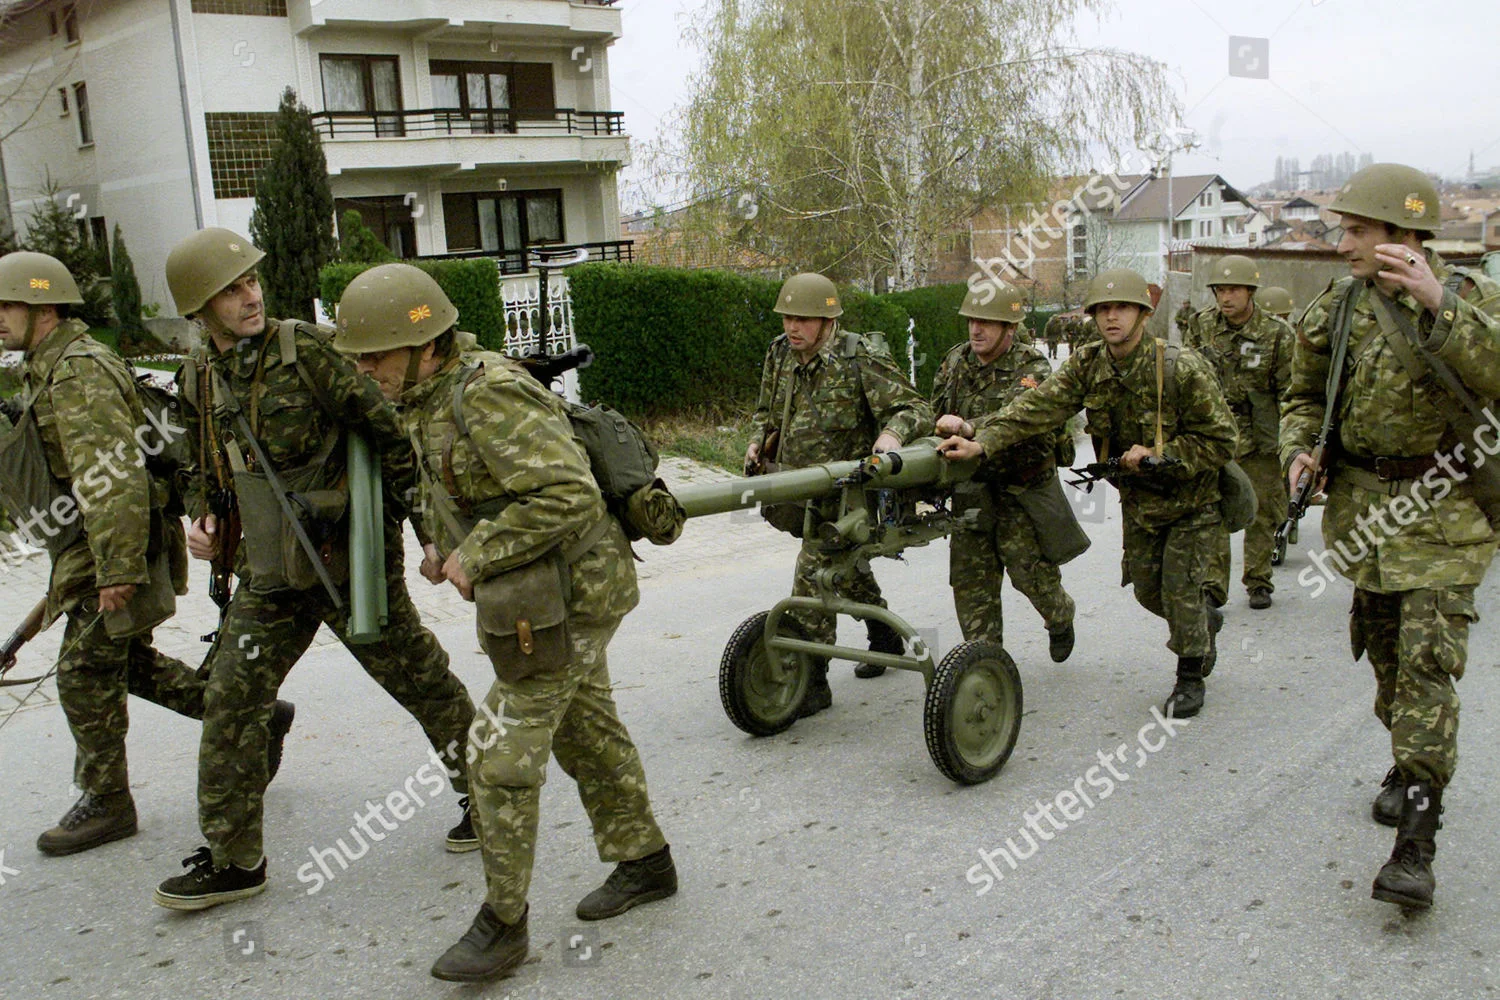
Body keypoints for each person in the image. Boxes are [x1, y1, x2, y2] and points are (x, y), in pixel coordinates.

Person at [333, 264, 675, 983]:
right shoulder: (423, 397)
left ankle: (504, 925)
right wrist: (437, 540)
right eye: (358, 358)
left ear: (427, 344)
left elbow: (568, 496)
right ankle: (644, 860)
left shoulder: (488, 392)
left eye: (376, 356)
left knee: (494, 752)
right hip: (538, 593)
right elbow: (448, 482)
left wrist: (478, 551)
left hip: (579, 590)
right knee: (586, 729)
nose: (365, 371)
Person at [152, 230, 476, 911]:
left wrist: (430, 537)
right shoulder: (199, 379)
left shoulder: (307, 351)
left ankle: (490, 794)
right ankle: (235, 859)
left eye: (251, 282)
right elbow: (200, 467)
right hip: (268, 571)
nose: (250, 296)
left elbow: (394, 439)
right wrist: (203, 523)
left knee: (417, 679)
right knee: (231, 702)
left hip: (345, 557)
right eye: (231, 290)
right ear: (200, 310)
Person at [1281, 163, 1500, 910]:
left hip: (1446, 518)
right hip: (1365, 519)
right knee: (1386, 666)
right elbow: (1304, 390)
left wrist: (1438, 305)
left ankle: (1417, 842)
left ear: (1405, 236)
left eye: (1358, 230)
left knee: (1425, 675)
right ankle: (1407, 766)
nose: (1343, 243)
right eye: (1343, 230)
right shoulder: (1339, 307)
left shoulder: (1471, 299)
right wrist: (1300, 449)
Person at [0, 252, 261, 857]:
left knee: (83, 671)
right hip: (92, 544)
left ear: (42, 307)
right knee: (124, 664)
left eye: (6, 305)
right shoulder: (49, 366)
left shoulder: (75, 373)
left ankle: (109, 801)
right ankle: (253, 714)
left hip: (111, 546)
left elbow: (111, 477)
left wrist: (116, 570)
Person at [937, 268, 1236, 717]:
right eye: (1103, 310)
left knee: (1180, 589)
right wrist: (981, 437)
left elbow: (1222, 440)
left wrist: (1160, 454)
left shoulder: (1180, 366)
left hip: (1192, 500)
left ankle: (1190, 672)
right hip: (1138, 501)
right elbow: (1038, 407)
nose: (1111, 318)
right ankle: (1203, 620)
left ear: (1142, 313)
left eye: (1122, 308)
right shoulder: (1088, 363)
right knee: (1148, 592)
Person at [744, 273, 930, 713]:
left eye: (803, 319)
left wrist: (891, 435)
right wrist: (757, 440)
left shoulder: (858, 357)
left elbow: (914, 408)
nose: (793, 328)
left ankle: (812, 683)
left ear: (828, 321)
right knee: (844, 565)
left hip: (850, 494)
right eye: (788, 317)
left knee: (814, 577)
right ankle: (882, 630)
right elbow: (765, 411)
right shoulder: (779, 354)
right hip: (798, 488)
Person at [931, 280, 1078, 662]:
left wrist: (968, 428)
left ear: (1010, 328)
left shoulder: (1032, 367)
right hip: (971, 491)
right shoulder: (954, 362)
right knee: (970, 585)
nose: (976, 329)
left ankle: (1060, 616)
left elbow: (1020, 418)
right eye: (972, 321)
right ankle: (986, 665)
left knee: (1032, 577)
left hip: (1020, 490)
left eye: (987, 322)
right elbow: (934, 413)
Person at [1183, 255, 1294, 610]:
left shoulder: (1277, 333)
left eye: (1233, 290)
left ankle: (1259, 580)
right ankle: (1214, 584)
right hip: (1213, 435)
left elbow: (1291, 392)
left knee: (1261, 512)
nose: (1225, 297)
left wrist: (1292, 441)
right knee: (1212, 510)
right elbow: (1186, 374)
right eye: (1220, 290)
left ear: (1251, 291)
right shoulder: (1201, 325)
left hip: (1260, 436)